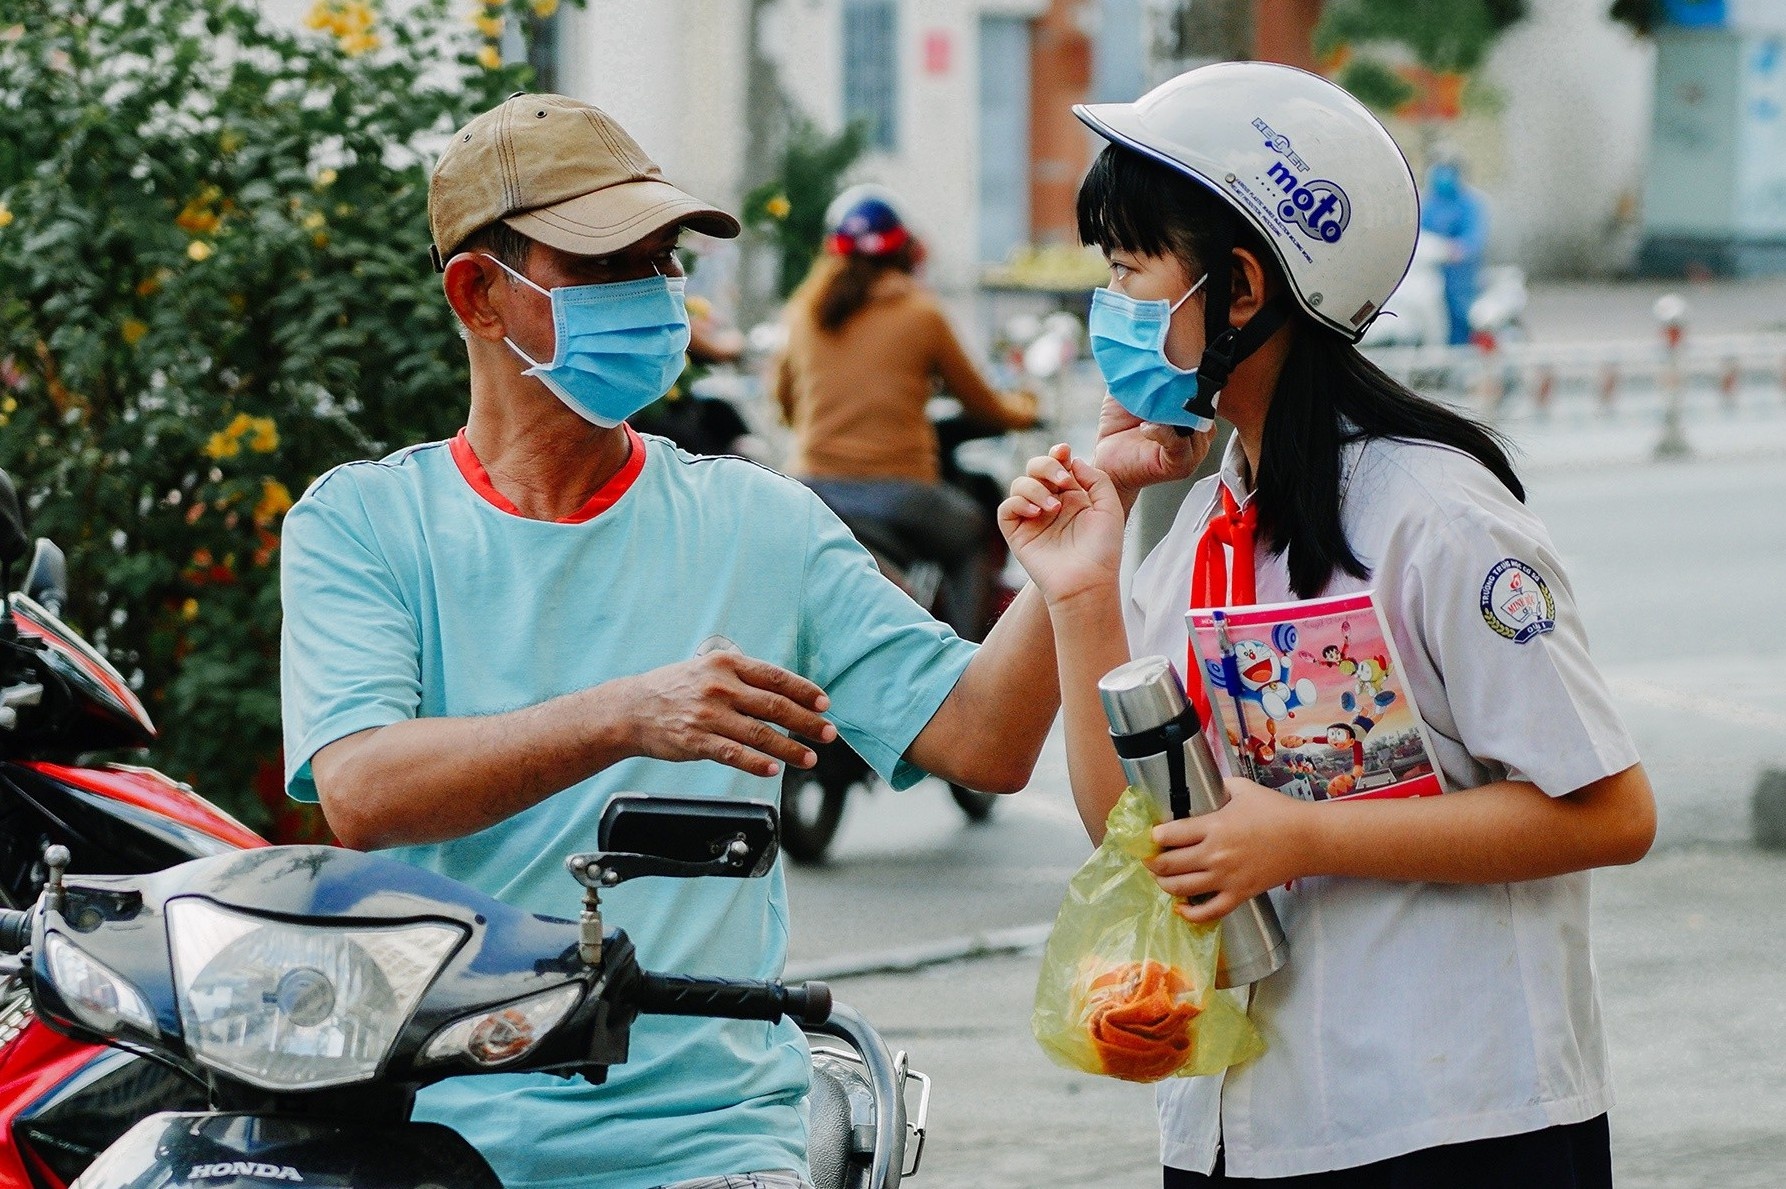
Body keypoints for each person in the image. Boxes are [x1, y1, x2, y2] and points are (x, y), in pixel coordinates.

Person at [278, 94, 1064, 1189]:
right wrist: (626, 713)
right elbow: (363, 789)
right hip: (432, 1133)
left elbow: (985, 741)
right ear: (480, 294)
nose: (652, 297)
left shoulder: (762, 521)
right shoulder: (363, 522)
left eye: (662, 263)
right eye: (606, 266)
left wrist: (1069, 574)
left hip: (713, 1142)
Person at [997, 63, 1656, 1187]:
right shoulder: (1210, 516)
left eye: (1128, 270)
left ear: (1240, 288)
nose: (1107, 306)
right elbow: (1124, 816)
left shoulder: (1433, 516)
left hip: (1457, 1122)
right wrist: (1079, 589)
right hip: (1241, 1127)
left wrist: (1308, 837)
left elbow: (1605, 810)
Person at [773, 184, 1039, 640]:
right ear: (905, 251)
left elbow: (786, 405)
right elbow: (982, 403)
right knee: (975, 533)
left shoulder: (804, 312)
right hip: (899, 493)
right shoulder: (920, 312)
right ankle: (966, 666)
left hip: (811, 488)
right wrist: (1026, 409)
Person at [1421, 153, 1489, 346]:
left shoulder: (1471, 204)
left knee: (1461, 319)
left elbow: (1474, 240)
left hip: (1461, 277)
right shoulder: (1427, 203)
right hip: (1430, 274)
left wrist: (1457, 250)